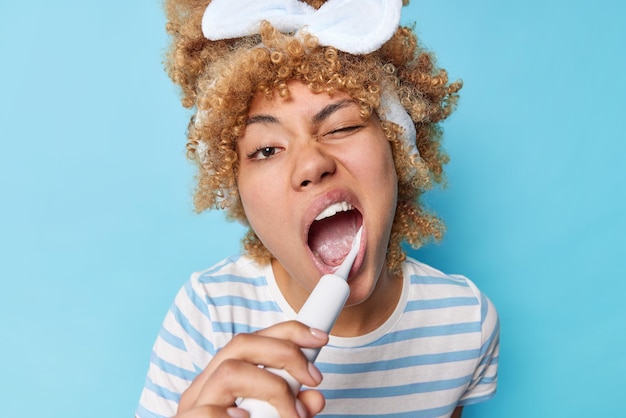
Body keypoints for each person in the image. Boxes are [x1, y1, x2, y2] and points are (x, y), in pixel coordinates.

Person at [136, 0, 500, 417]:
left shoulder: (466, 323)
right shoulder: (207, 313)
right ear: (234, 185)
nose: (311, 165)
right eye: (266, 149)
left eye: (342, 126)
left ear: (398, 148)